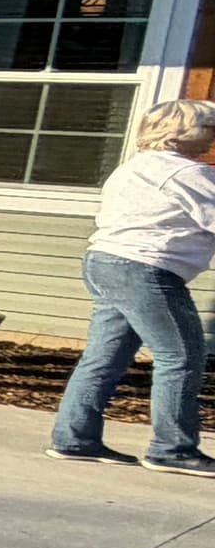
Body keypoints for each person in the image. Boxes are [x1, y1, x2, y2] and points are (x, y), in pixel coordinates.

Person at [49, 95, 215, 472]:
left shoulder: (133, 168)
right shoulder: (190, 174)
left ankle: (75, 439)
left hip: (104, 261)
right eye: (208, 128)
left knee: (104, 358)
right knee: (182, 357)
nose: (211, 137)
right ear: (182, 132)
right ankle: (173, 449)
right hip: (148, 271)